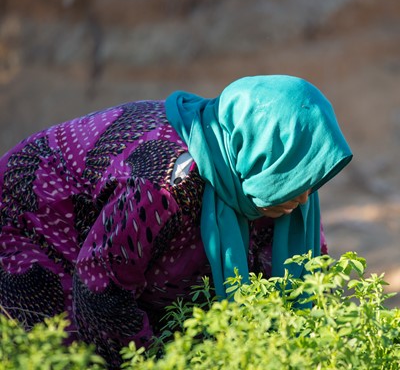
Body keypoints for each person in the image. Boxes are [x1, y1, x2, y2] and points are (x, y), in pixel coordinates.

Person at [0, 75, 352, 368]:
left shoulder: (283, 182)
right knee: (68, 355)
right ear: (257, 153)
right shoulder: (165, 178)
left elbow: (306, 291)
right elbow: (101, 288)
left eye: (310, 183)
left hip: (113, 251)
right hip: (30, 229)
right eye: (294, 181)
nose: (305, 198)